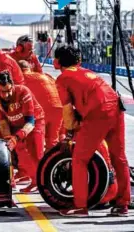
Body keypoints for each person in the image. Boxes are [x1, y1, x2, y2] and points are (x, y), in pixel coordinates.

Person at [54, 45, 131, 217]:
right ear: (79, 61)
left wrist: (69, 133)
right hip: (116, 109)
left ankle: (80, 207)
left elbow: (67, 110)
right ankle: (122, 204)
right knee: (119, 157)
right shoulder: (87, 72)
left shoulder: (63, 79)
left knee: (80, 159)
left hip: (98, 113)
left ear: (57, 63)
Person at [0, 71, 45, 193]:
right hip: (13, 124)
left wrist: (17, 137)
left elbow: (30, 122)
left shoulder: (23, 92)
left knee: (35, 152)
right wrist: (8, 139)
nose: (7, 94)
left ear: (13, 85)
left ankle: (41, 183)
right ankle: (9, 179)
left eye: (9, 90)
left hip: (34, 122)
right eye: (3, 92)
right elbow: (3, 122)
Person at [17, 60, 63, 150]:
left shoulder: (20, 79)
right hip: (59, 108)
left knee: (35, 141)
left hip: (43, 110)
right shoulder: (46, 76)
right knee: (53, 141)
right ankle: (54, 162)